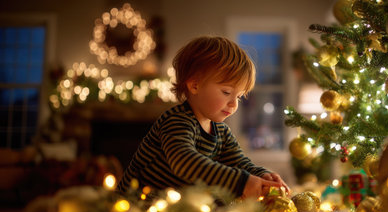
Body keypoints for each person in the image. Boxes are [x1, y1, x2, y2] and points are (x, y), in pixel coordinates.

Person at [117, 35, 289, 200]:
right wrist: (241, 182)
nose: (234, 104)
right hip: (135, 206)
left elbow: (239, 162)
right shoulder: (176, 121)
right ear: (195, 85)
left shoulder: (221, 131)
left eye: (238, 96)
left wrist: (263, 176)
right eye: (227, 92)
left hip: (173, 211)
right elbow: (185, 162)